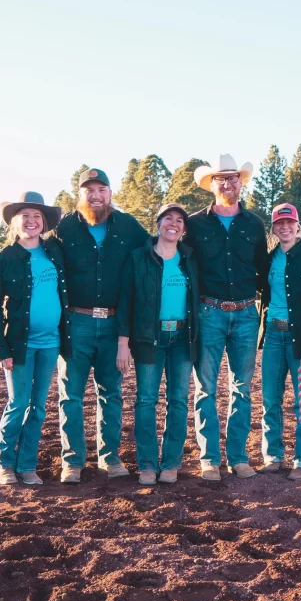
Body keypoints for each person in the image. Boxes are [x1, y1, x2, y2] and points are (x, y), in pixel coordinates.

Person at [54, 168, 149, 483]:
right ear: (79, 194)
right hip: (76, 321)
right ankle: (73, 461)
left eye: (101, 190)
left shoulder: (129, 227)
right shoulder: (63, 228)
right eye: (89, 190)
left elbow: (153, 256)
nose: (95, 196)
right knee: (71, 394)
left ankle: (110, 458)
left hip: (113, 324)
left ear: (110, 193)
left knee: (111, 392)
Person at [188, 154, 267, 480]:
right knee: (206, 388)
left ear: (240, 182)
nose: (228, 183)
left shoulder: (254, 224)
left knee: (242, 389)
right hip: (210, 312)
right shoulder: (193, 225)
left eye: (233, 177)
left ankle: (237, 456)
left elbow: (264, 269)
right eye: (221, 178)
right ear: (212, 184)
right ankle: (209, 459)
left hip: (247, 314)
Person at [0, 192, 71, 486]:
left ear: (44, 223)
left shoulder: (54, 252)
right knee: (18, 403)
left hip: (51, 342)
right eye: (26, 216)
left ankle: (28, 464)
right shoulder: (5, 257)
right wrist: (1, 347)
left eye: (37, 216)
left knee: (38, 407)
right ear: (15, 222)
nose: (32, 221)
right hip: (20, 344)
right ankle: (5, 463)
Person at [117, 203, 200, 485]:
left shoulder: (189, 258)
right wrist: (123, 343)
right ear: (158, 223)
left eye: (179, 220)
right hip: (148, 339)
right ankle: (148, 464)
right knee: (146, 400)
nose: (173, 224)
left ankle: (171, 463)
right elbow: (126, 301)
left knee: (178, 401)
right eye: (168, 218)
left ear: (183, 228)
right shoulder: (139, 258)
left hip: (181, 338)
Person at [259, 202, 301, 480]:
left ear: (298, 225)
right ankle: (273, 455)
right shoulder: (269, 258)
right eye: (279, 223)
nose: (285, 227)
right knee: (270, 398)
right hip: (274, 335)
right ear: (274, 228)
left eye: (290, 223)